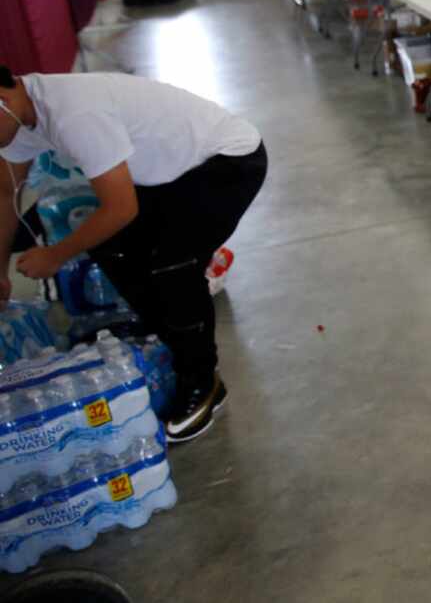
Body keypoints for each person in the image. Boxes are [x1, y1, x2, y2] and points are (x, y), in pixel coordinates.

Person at [0, 66, 267, 443]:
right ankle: (171, 335)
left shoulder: (74, 114)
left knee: (172, 263)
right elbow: (3, 194)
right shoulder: (19, 117)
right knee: (113, 246)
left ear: (3, 99)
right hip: (173, 174)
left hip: (227, 162)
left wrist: (55, 254)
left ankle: (203, 382)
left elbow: (121, 207)